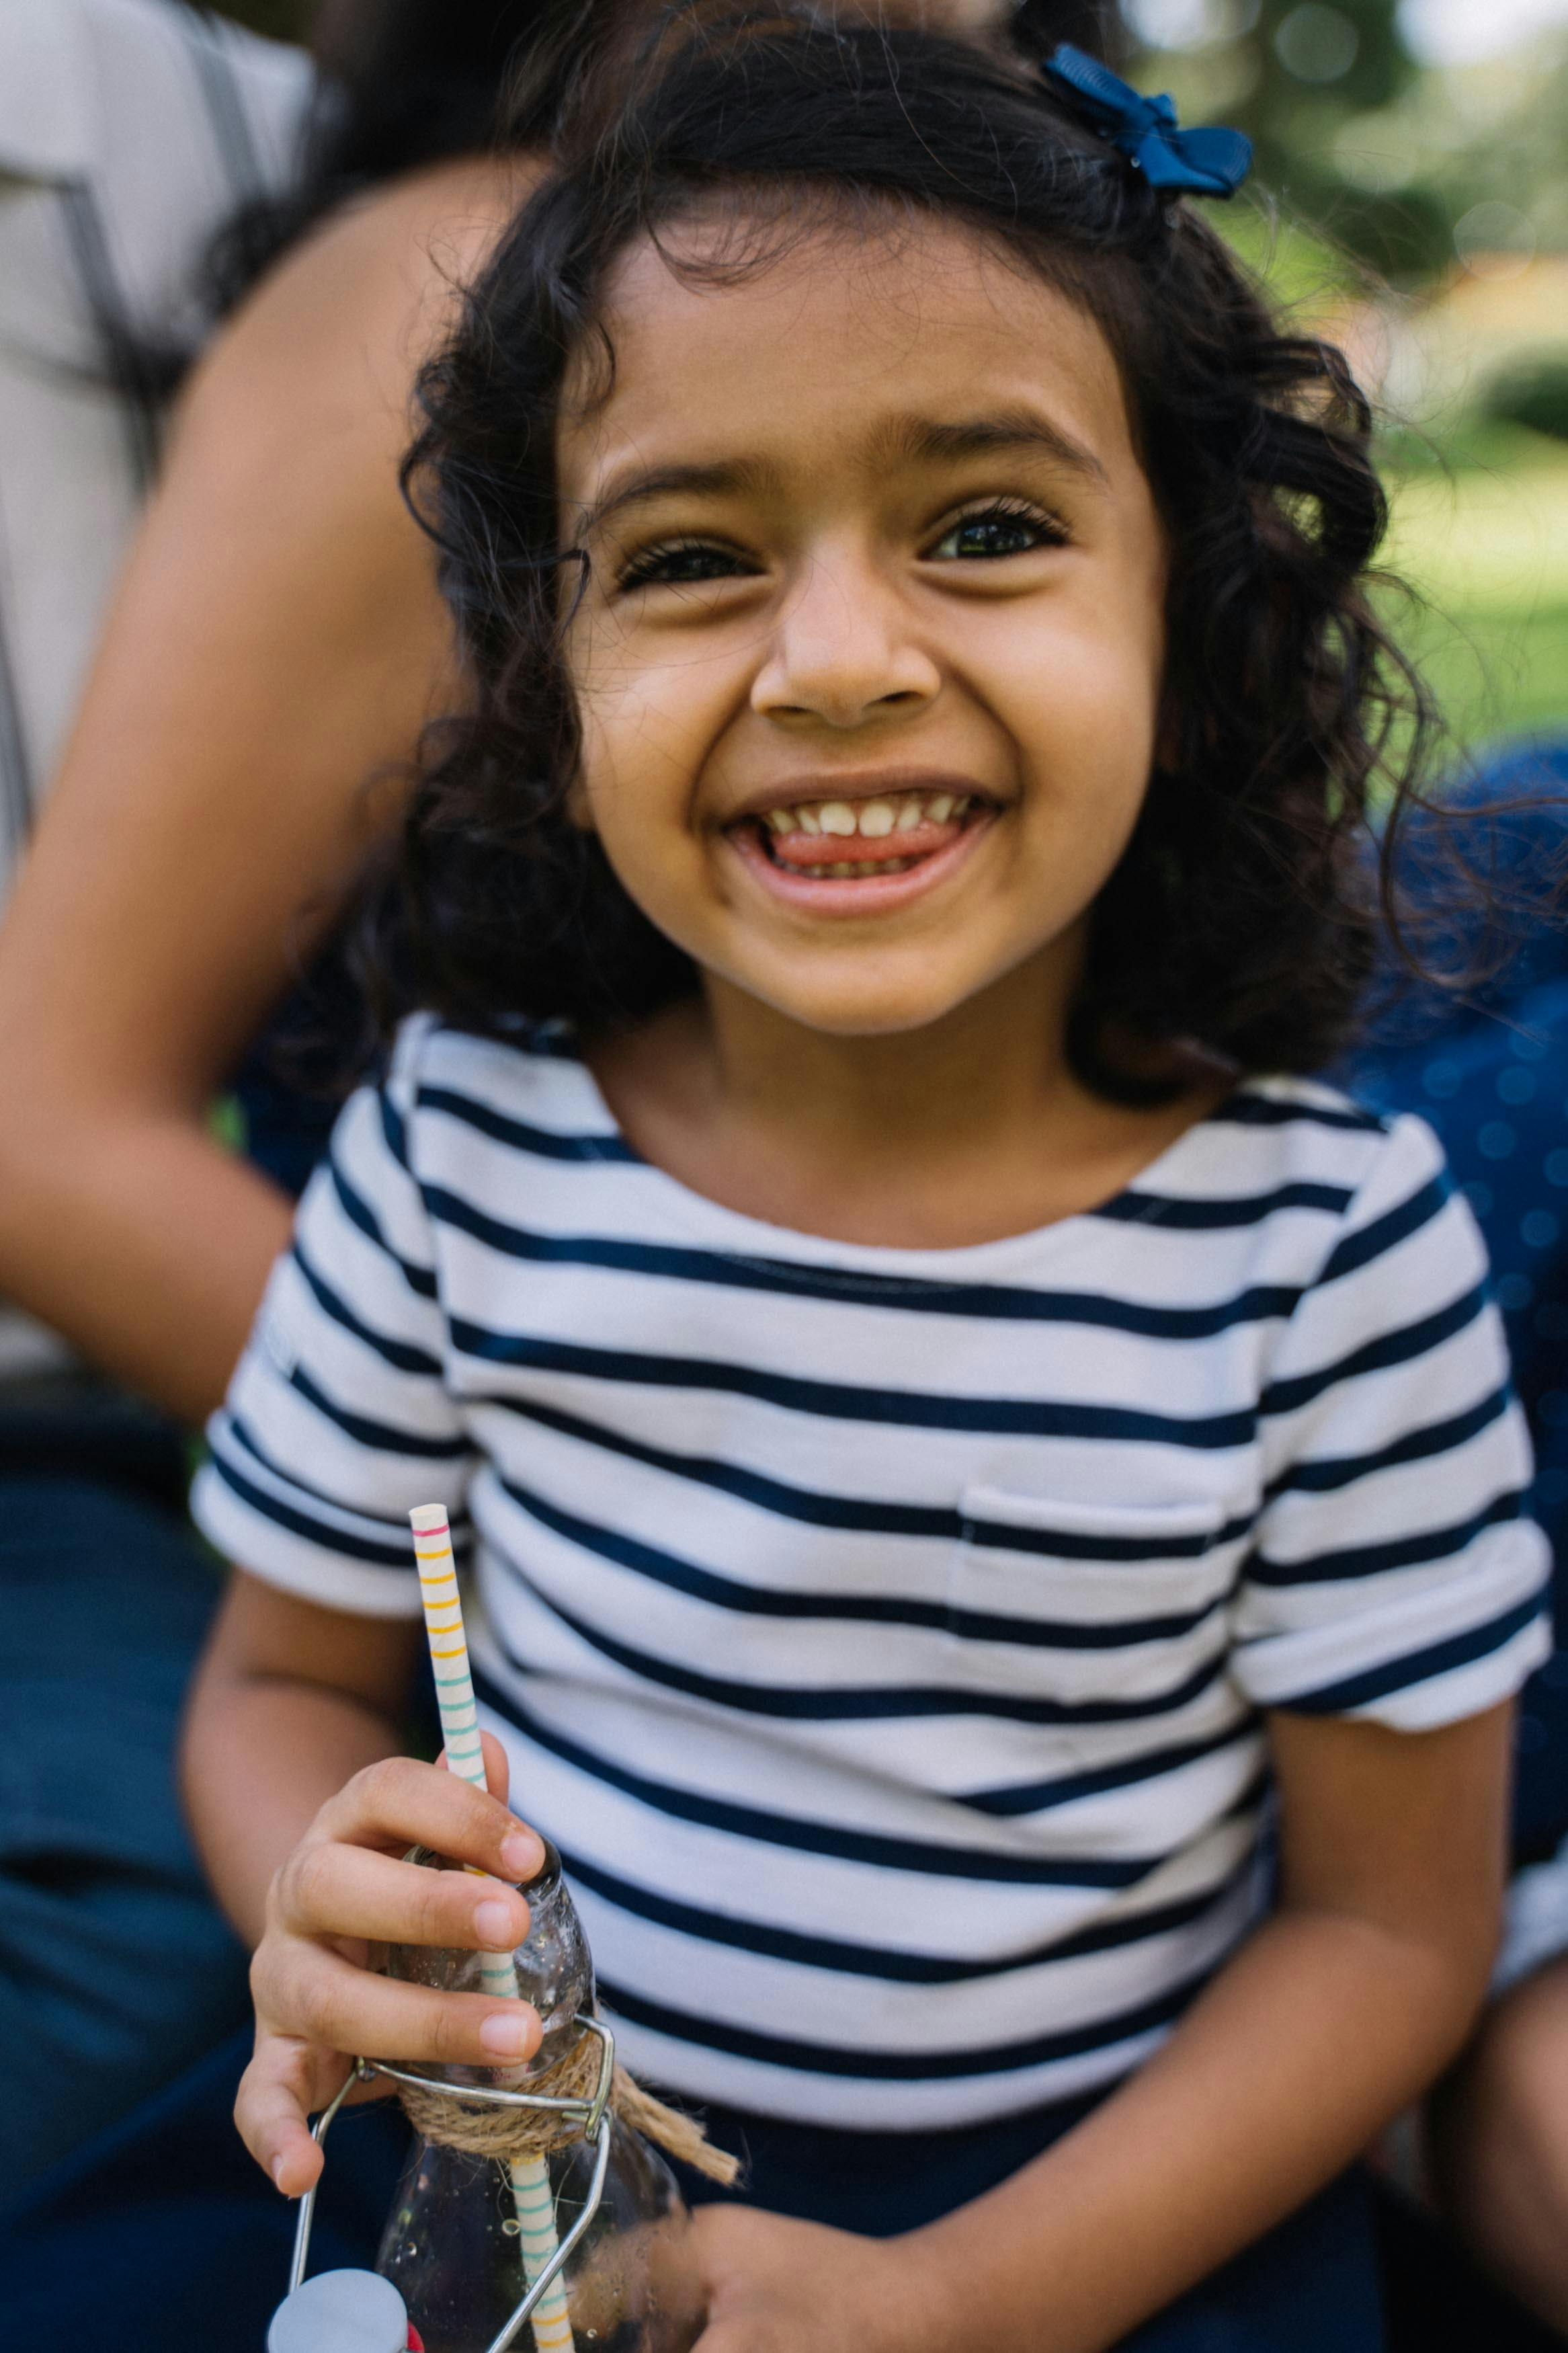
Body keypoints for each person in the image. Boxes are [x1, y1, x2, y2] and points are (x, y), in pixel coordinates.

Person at [168, 19, 1549, 2347]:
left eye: (988, 526)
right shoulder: (453, 1159)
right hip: (515, 2169)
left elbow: (1388, 1929)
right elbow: (275, 1691)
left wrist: (969, 2296)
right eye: (696, 555)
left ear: (1194, 630)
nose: (834, 661)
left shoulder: (1335, 1263)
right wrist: (332, 1900)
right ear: (551, 669)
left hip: (1099, 2221)